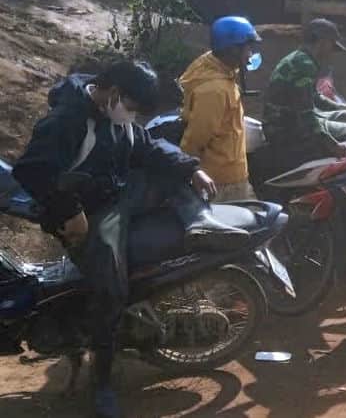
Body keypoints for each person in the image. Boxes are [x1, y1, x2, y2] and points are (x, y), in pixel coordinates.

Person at [12, 59, 239, 418]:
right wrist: (69, 210)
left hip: (119, 192)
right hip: (92, 212)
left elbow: (146, 146)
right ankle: (102, 381)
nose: (131, 116)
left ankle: (201, 222)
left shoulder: (116, 116)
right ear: (114, 92)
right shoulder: (66, 121)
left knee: (174, 174)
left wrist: (191, 168)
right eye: (131, 107)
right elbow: (31, 171)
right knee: (111, 290)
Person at [262, 18, 346, 175]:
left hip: (288, 120)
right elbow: (306, 115)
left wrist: (342, 106)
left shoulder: (300, 58)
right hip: (285, 128)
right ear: (322, 42)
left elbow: (314, 97)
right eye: (331, 45)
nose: (331, 53)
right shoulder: (304, 64)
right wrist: (333, 145)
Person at [179, 16, 261, 202]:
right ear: (232, 50)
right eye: (247, 48)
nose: (250, 54)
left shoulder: (212, 65)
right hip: (222, 181)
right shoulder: (215, 90)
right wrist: (189, 169)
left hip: (226, 172)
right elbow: (197, 138)